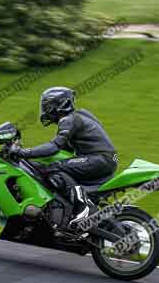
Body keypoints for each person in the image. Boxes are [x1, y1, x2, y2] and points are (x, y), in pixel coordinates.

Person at [11, 87, 118, 226]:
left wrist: (22, 152)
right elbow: (61, 151)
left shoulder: (68, 120)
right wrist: (34, 155)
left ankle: (84, 208)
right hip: (104, 158)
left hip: (99, 158)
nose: (45, 109)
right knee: (61, 165)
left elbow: (53, 146)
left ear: (60, 105)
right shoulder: (78, 116)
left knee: (54, 168)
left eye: (48, 106)